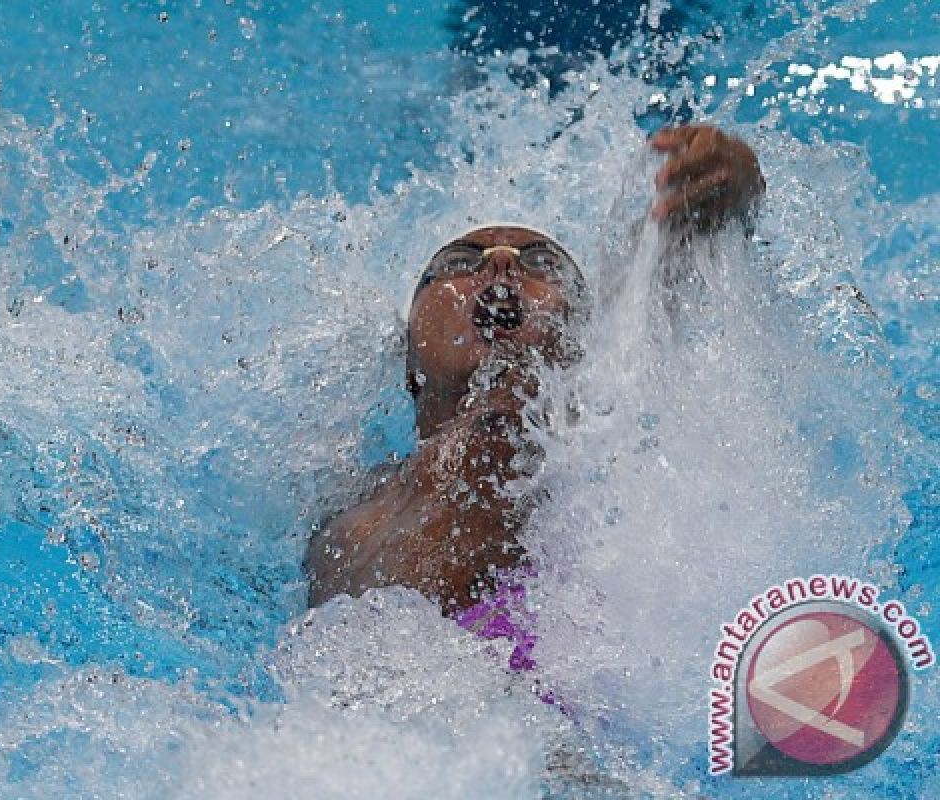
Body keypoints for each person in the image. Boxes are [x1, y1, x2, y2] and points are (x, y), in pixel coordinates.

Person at [305, 125, 765, 662]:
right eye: (459, 263)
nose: (501, 265)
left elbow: (656, 298)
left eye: (542, 264)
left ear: (584, 346)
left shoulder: (622, 481)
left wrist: (718, 200)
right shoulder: (348, 505)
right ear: (408, 361)